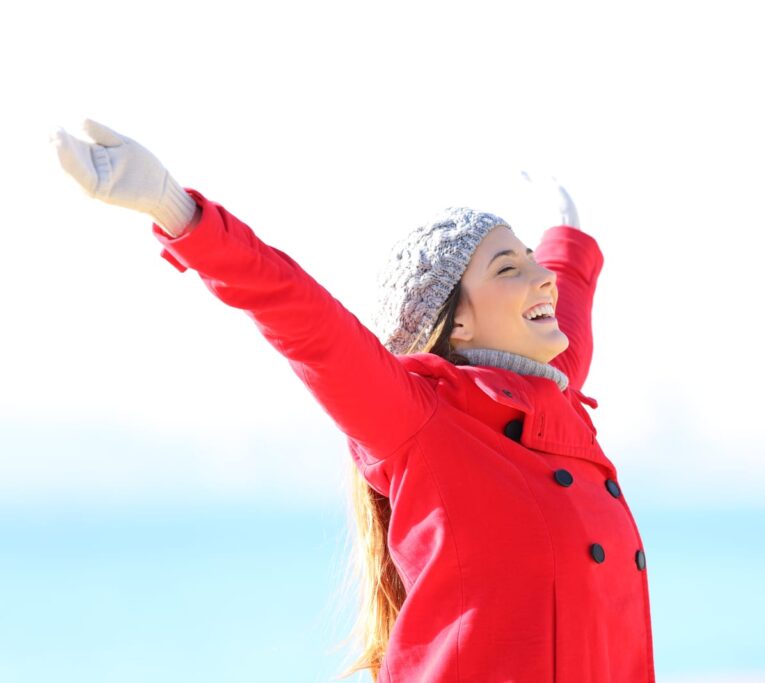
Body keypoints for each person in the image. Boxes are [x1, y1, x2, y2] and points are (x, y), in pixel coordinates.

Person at [51, 119, 655, 682]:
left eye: (531, 259)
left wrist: (566, 233)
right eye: (508, 269)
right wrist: (176, 209)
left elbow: (568, 293)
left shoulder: (556, 400)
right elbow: (301, 316)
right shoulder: (420, 419)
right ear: (458, 324)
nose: (539, 276)